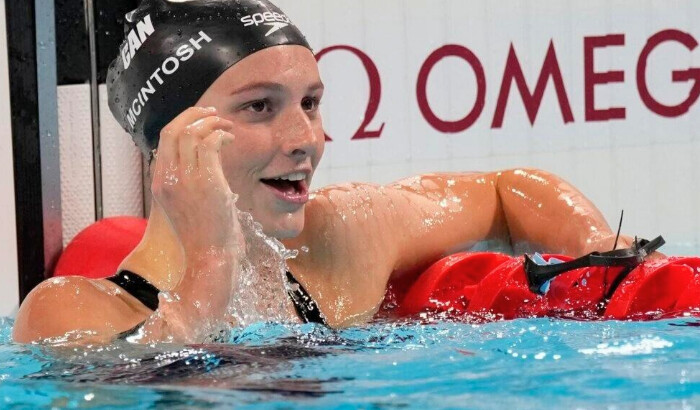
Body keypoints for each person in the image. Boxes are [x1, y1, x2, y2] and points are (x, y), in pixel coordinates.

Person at [12, 0, 635, 344]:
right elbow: (160, 380)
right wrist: (211, 263)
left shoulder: (341, 237)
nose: (305, 139)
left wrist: (597, 246)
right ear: (171, 139)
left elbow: (505, 190)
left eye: (310, 103)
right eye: (259, 107)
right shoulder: (70, 314)